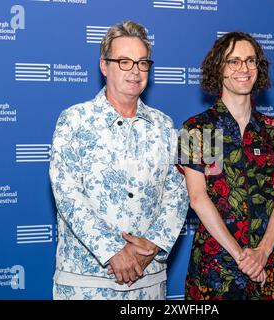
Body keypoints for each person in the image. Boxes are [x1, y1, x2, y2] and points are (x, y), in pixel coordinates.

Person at [49, 20, 189, 300]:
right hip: (85, 282)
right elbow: (67, 193)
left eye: (142, 62)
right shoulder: (74, 120)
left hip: (148, 281)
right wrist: (112, 251)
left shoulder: (165, 125)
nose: (135, 71)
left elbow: (179, 192)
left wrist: (152, 246)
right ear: (104, 66)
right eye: (124, 61)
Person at [179, 32, 274, 300]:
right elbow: (198, 198)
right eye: (233, 61)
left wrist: (262, 253)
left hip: (265, 265)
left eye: (250, 61)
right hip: (215, 267)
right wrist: (241, 257)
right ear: (219, 69)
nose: (243, 69)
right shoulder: (198, 129)